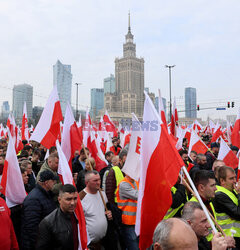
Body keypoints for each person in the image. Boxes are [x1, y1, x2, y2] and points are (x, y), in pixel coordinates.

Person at [21, 170, 58, 250]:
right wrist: (41, 244)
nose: (55, 183)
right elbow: (31, 227)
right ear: (46, 182)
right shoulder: (33, 199)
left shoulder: (47, 194)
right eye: (53, 181)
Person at [36, 184, 80, 250]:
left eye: (75, 198)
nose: (72, 203)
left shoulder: (79, 216)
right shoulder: (48, 223)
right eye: (68, 199)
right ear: (59, 200)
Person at [80, 171, 114, 249]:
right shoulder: (81, 197)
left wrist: (108, 214)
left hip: (104, 240)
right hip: (90, 244)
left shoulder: (102, 193)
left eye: (99, 180)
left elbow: (104, 209)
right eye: (95, 181)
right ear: (87, 182)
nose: (98, 183)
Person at [213, 166, 240, 248]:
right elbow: (238, 214)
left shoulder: (231, 191)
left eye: (235, 177)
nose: (235, 181)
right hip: (229, 236)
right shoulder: (219, 195)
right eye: (231, 178)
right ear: (222, 181)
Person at [116, 174, 139, 250]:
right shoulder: (124, 184)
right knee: (133, 246)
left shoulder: (135, 181)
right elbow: (138, 195)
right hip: (128, 222)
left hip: (136, 221)